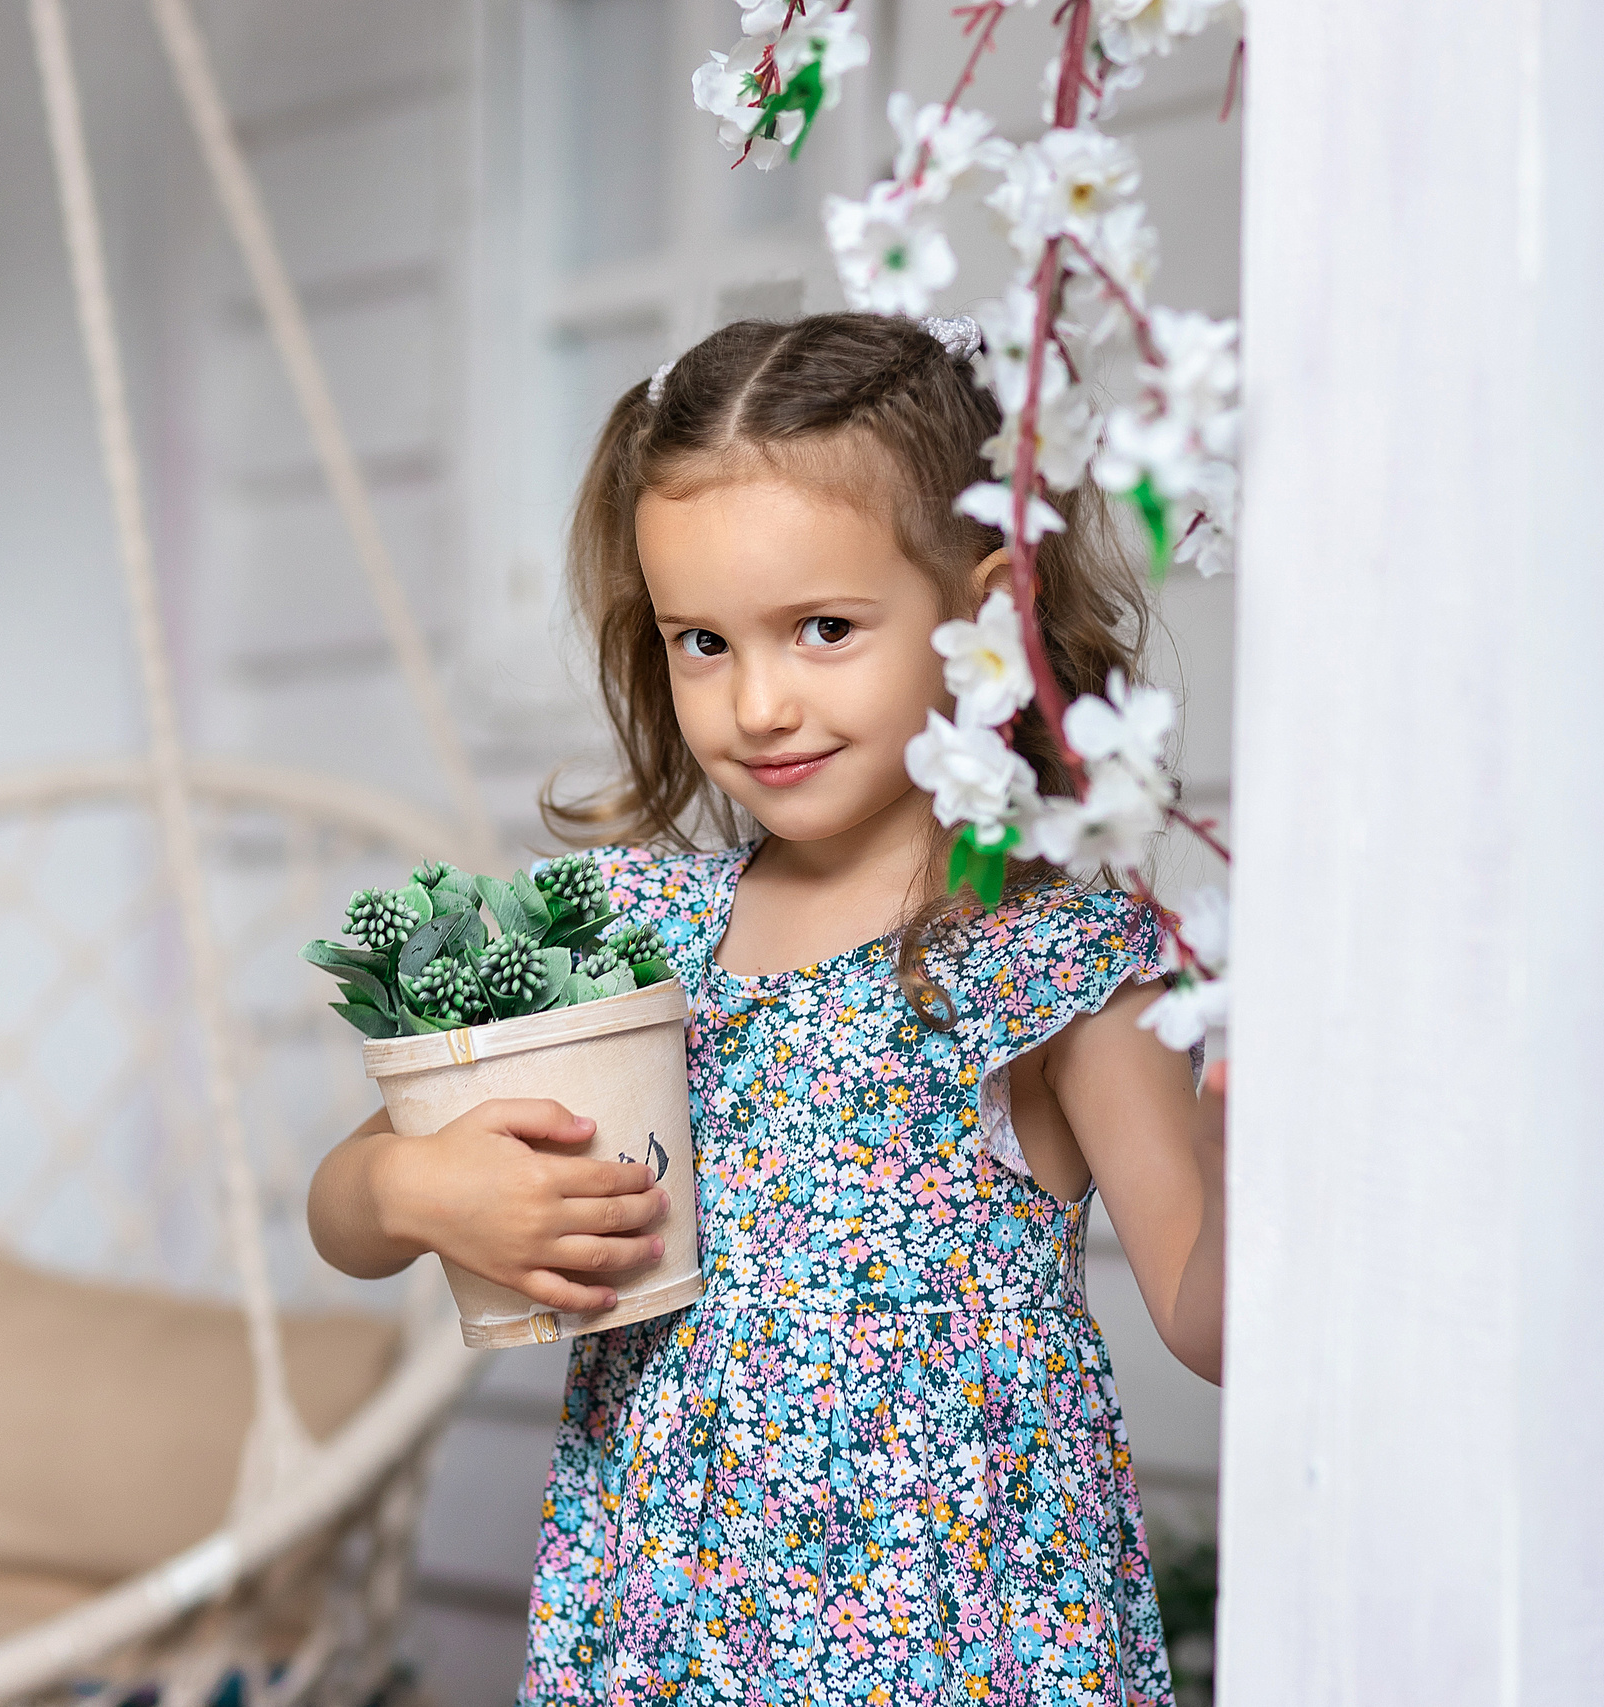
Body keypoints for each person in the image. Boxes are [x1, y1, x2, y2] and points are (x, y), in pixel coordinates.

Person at [306, 312, 1225, 1706]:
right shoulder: (637, 938)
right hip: (670, 1630)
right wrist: (420, 1188)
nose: (761, 702)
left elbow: (1207, 1316)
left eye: (823, 629)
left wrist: (1269, 1152)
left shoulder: (1049, 958)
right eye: (703, 643)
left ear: (988, 617)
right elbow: (342, 1212)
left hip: (956, 1645)